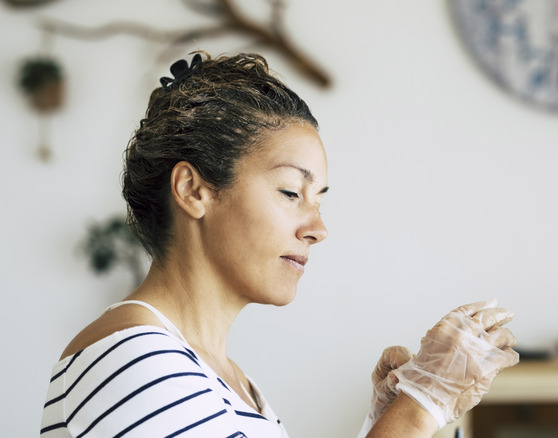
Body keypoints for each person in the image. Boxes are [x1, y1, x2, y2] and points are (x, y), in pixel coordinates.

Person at [39, 52, 519, 438]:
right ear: (193, 190)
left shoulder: (223, 379)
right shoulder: (135, 363)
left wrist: (384, 421)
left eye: (318, 200)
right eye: (291, 192)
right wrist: (418, 410)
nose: (318, 228)